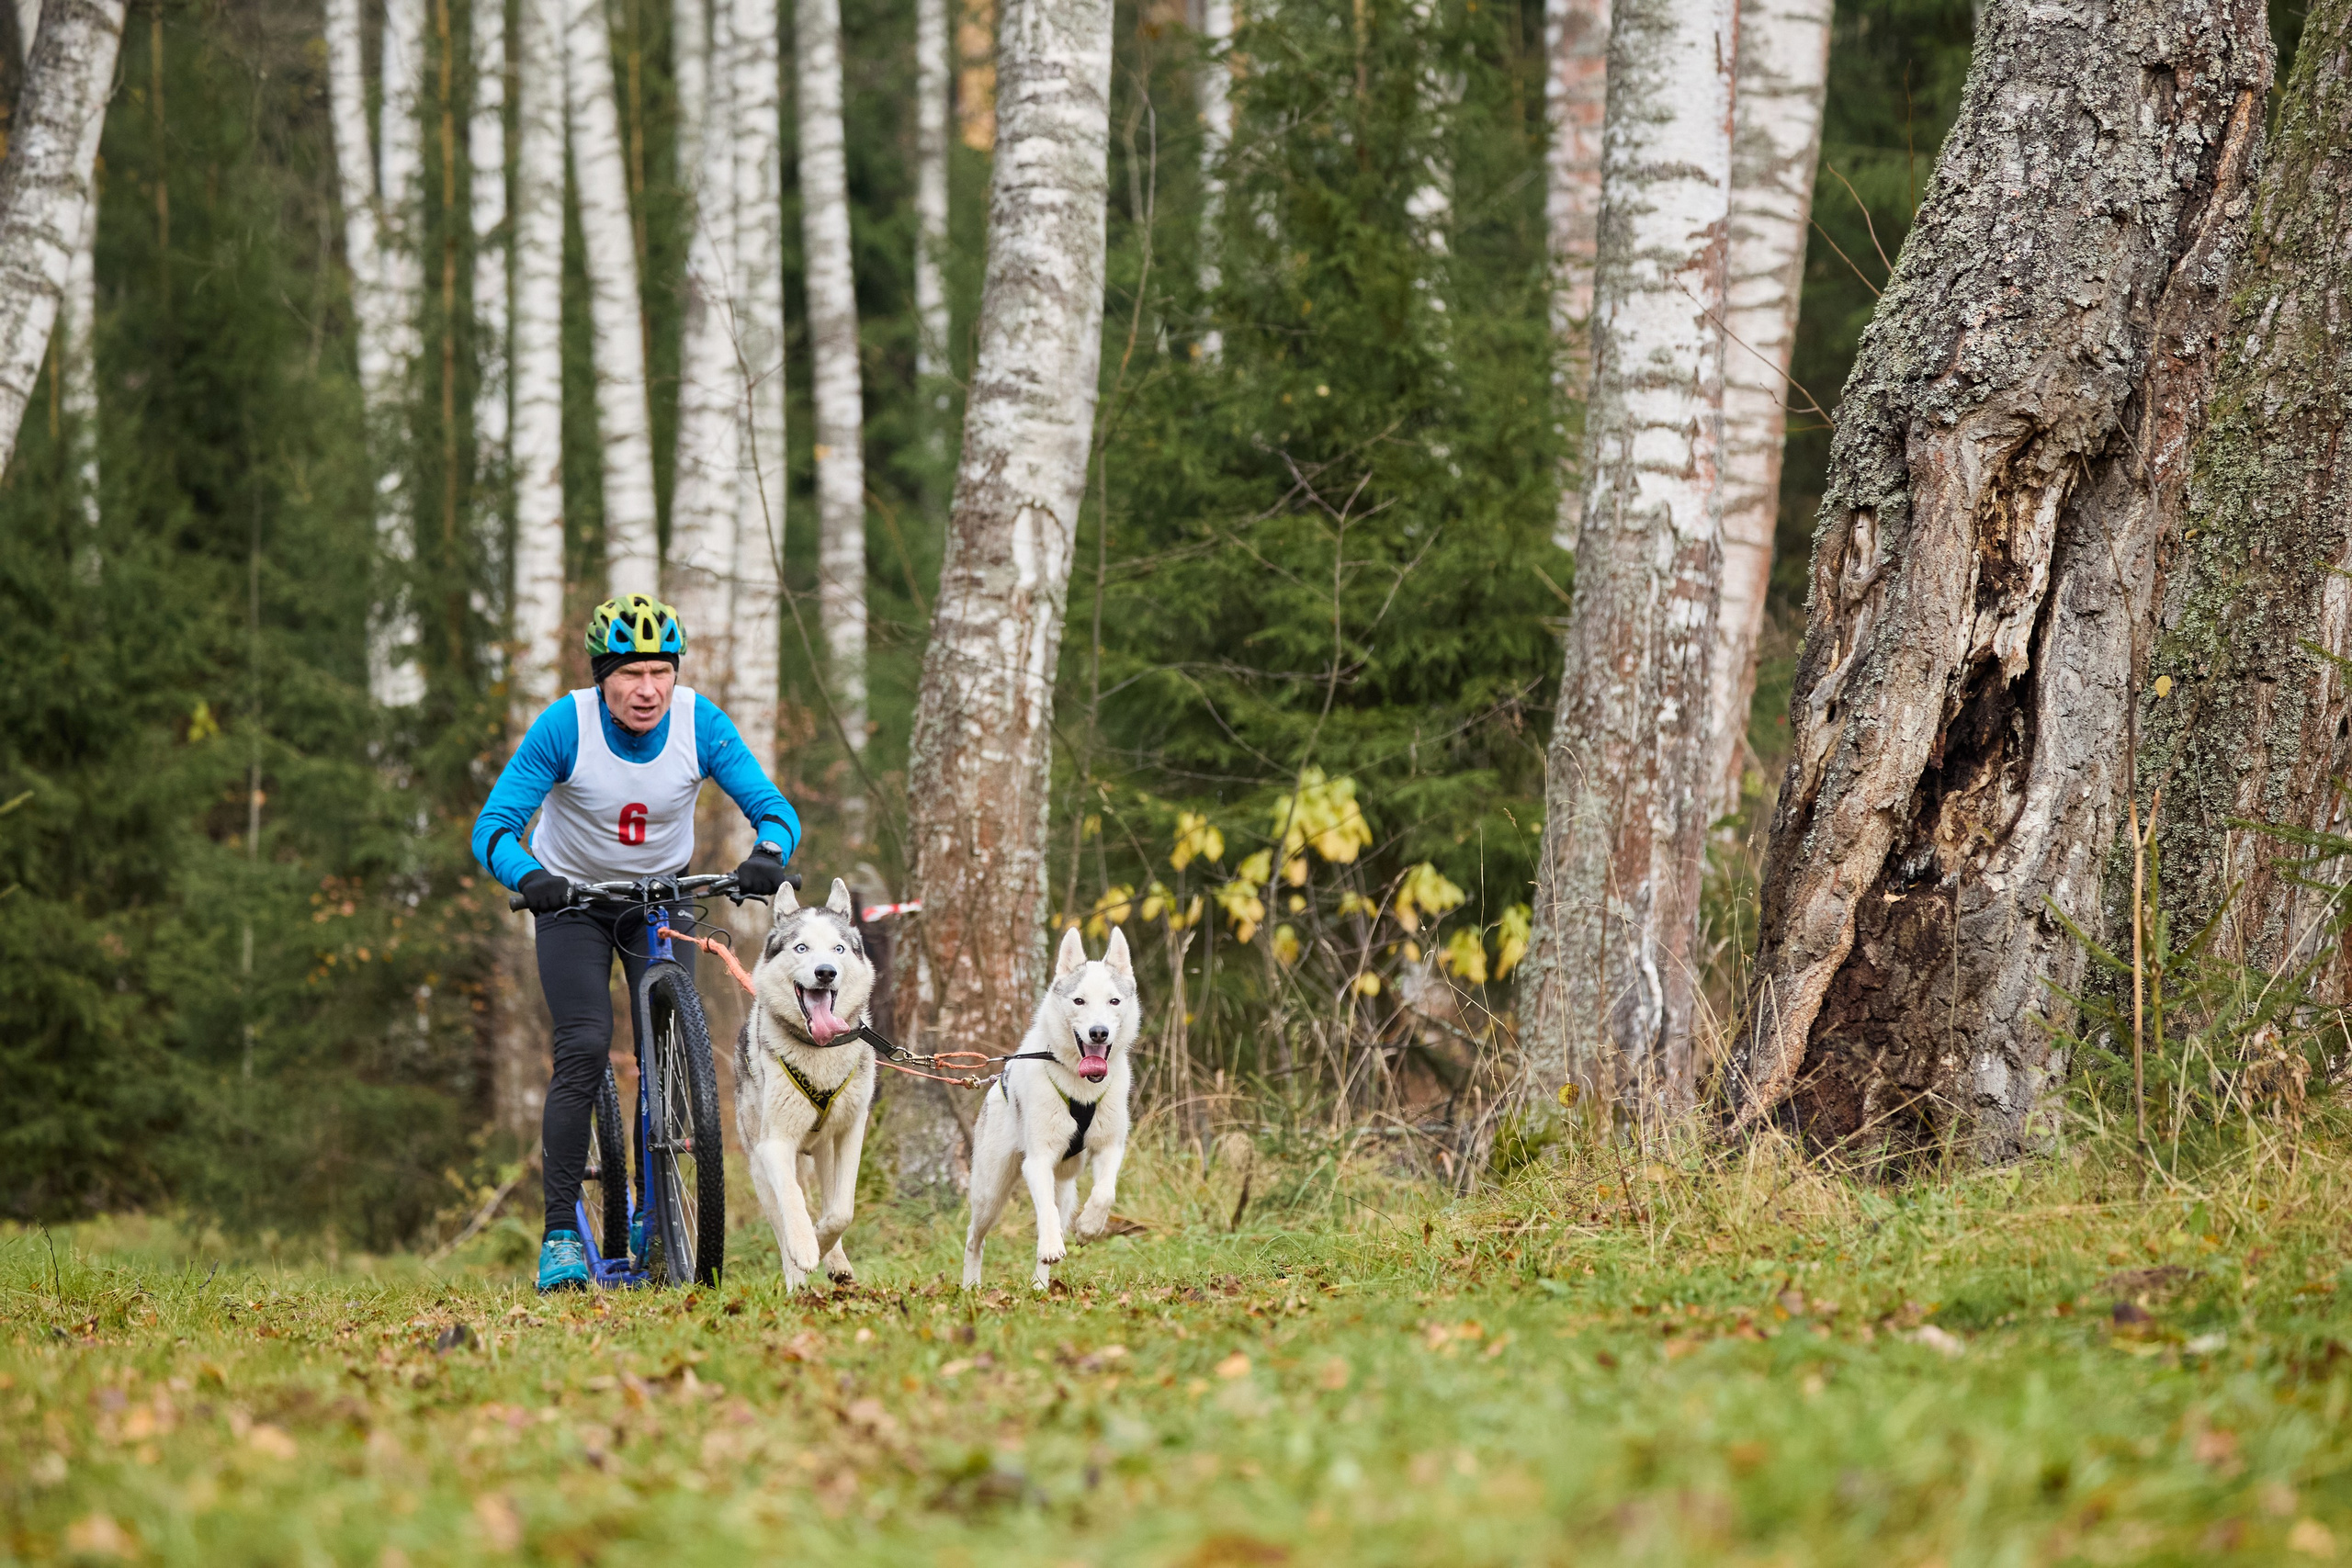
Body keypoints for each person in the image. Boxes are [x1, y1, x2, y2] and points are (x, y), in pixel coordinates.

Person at [471, 594, 798, 1292]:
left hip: (660, 897)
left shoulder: (698, 722)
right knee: (585, 1045)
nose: (646, 689)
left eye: (659, 670)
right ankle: (561, 1230)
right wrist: (530, 874)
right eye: (628, 673)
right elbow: (494, 826)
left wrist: (768, 851)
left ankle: (657, 1207)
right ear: (601, 677)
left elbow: (772, 808)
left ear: (675, 673)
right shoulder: (567, 725)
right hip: (575, 904)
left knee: (670, 1044)